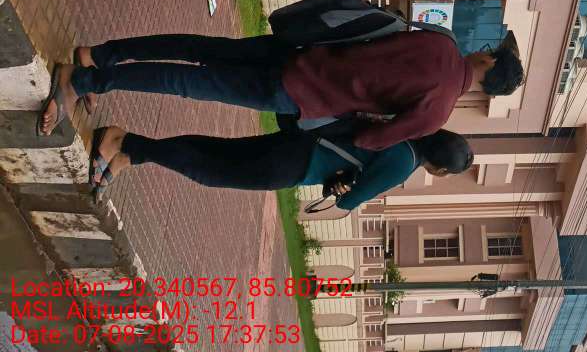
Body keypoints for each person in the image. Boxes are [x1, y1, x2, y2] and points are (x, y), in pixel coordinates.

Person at [36, 29, 525, 153]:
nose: (484, 49)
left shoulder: (442, 42)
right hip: (301, 93)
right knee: (187, 82)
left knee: (198, 47)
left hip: (299, 49)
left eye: (489, 51)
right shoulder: (437, 112)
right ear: (488, 91)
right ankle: (81, 81)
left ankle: (100, 55)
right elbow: (370, 139)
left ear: (487, 61)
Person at [83, 121, 471, 202]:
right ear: (439, 169)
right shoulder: (403, 164)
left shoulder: (405, 132)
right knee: (208, 171)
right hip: (296, 167)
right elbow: (350, 200)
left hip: (301, 142)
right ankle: (125, 141)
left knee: (217, 150)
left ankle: (131, 155)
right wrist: (347, 188)